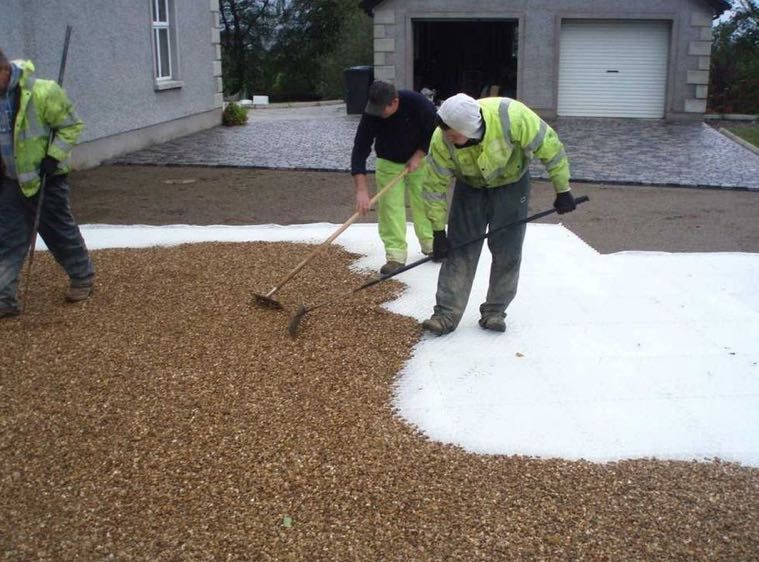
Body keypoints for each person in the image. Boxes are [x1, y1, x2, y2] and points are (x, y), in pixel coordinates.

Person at [421, 93, 577, 335]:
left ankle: (494, 311)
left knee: (507, 249)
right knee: (460, 249)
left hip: (511, 184)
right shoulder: (441, 141)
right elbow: (433, 187)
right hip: (470, 187)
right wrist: (438, 231)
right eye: (444, 132)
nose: (447, 138)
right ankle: (445, 314)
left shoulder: (512, 116)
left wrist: (562, 189)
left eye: (453, 134)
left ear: (471, 129)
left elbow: (550, 147)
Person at [0, 49, 94, 318]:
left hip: (46, 178)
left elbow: (71, 126)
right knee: (7, 238)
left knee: (58, 232)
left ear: (4, 71)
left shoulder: (43, 92)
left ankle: (82, 276)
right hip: (9, 180)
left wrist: (54, 157)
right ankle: (4, 297)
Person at [351, 80, 437, 274]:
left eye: (383, 110)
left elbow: (434, 131)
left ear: (395, 102)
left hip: (420, 160)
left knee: (424, 202)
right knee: (390, 208)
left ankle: (431, 244)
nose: (379, 115)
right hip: (388, 161)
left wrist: (419, 154)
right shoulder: (372, 112)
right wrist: (362, 190)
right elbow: (360, 148)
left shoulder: (419, 104)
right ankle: (395, 255)